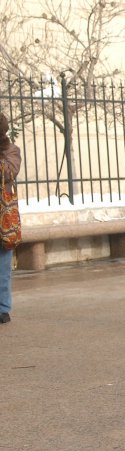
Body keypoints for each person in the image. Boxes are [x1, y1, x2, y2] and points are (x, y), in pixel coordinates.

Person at [0, 111, 21, 324]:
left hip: (3, 218)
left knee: (2, 266)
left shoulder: (11, 151)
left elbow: (8, 173)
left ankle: (2, 308)